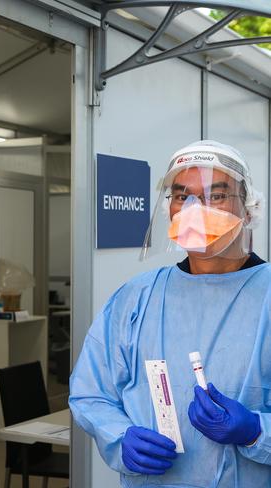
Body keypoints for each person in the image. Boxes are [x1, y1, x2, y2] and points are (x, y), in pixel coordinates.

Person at [69, 140, 271, 487]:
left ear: (249, 209)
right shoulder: (136, 298)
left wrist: (257, 432)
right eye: (182, 196)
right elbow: (90, 392)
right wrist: (120, 436)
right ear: (170, 209)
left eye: (216, 196)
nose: (196, 209)